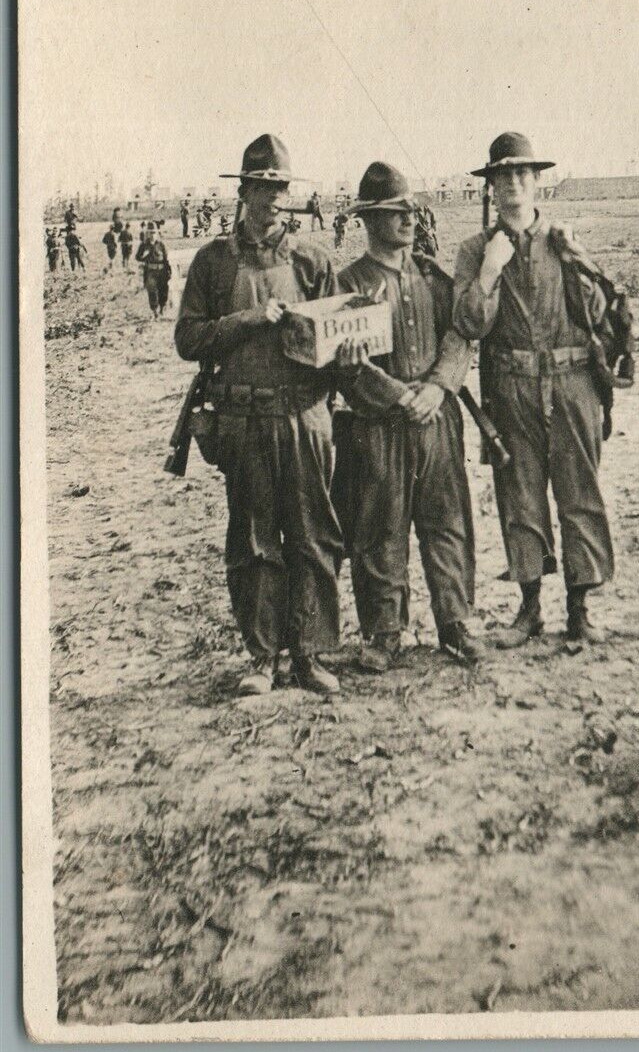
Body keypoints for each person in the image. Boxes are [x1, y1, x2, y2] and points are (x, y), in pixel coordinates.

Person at [174, 134, 344, 697]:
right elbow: (189, 339)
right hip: (243, 421)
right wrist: (250, 320)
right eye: (261, 187)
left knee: (313, 536)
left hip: (306, 416)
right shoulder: (213, 263)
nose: (272, 198)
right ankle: (261, 657)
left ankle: (312, 655)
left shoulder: (314, 260)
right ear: (243, 191)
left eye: (280, 188)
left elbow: (343, 342)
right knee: (253, 541)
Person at [453, 132, 615, 646]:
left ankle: (580, 607)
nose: (514, 184)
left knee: (578, 491)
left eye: (523, 175)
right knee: (519, 496)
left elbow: (599, 318)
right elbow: (470, 324)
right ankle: (529, 610)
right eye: (504, 176)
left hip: (571, 385)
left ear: (538, 183)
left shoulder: (564, 241)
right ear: (491, 188)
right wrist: (490, 270)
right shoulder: (475, 250)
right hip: (511, 388)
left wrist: (580, 264)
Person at [333, 162, 481, 672]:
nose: (408, 220)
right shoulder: (347, 284)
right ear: (369, 219)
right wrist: (399, 395)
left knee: (447, 520)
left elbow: (459, 336)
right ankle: (383, 631)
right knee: (381, 526)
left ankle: (455, 623)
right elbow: (346, 368)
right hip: (379, 426)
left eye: (411, 210)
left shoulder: (433, 277)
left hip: (437, 419)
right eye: (395, 212)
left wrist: (439, 386)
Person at [135, 221, 171, 318]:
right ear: (147, 234)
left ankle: (162, 308)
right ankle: (155, 310)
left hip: (162, 271)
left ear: (157, 233)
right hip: (150, 271)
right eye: (150, 232)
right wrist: (144, 256)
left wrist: (169, 271)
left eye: (154, 232)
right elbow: (137, 257)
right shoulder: (143, 245)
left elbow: (167, 259)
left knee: (163, 290)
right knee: (152, 290)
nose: (152, 235)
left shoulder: (161, 245)